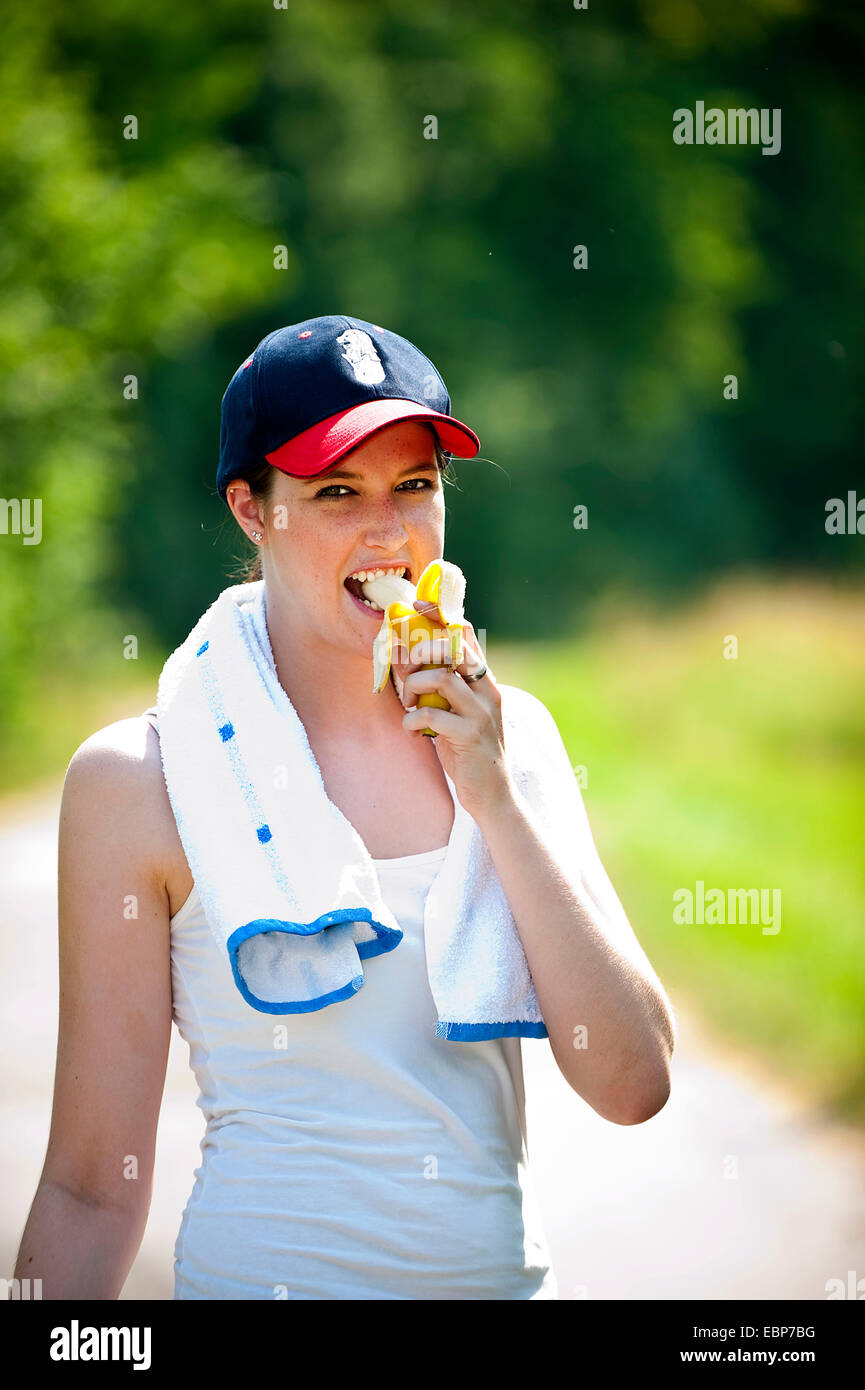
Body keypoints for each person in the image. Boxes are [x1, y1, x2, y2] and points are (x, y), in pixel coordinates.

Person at [14, 315, 676, 1300]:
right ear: (252, 509)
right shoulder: (138, 780)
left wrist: (490, 793)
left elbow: (632, 1085)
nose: (389, 531)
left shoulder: (509, 733)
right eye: (335, 492)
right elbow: (86, 1188)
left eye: (415, 484)